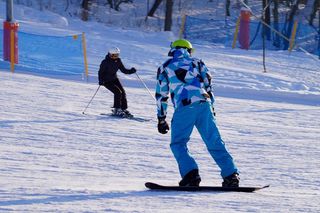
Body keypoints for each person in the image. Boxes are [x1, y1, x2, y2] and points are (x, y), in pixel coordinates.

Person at [155, 39, 240, 187]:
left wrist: (161, 118)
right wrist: (211, 108)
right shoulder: (198, 62)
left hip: (185, 106)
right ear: (189, 50)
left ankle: (191, 175)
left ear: (173, 50)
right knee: (214, 140)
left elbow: (161, 95)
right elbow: (208, 85)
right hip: (204, 104)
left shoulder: (165, 67)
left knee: (178, 143)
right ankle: (231, 175)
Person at [98, 47, 137, 117]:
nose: (115, 57)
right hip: (106, 81)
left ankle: (123, 109)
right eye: (113, 55)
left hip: (114, 79)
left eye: (116, 55)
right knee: (118, 92)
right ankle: (117, 109)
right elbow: (100, 72)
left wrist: (131, 71)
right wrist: (100, 80)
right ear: (110, 54)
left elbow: (124, 70)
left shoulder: (118, 61)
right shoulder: (105, 62)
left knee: (123, 92)